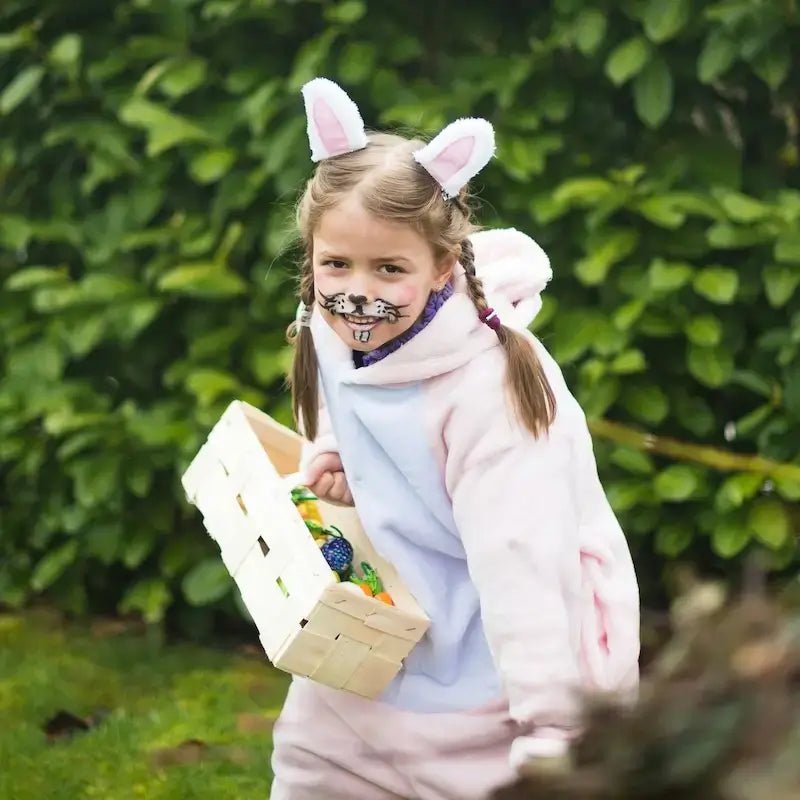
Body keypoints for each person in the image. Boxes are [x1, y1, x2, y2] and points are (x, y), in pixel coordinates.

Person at [269, 77, 640, 800]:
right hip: (382, 633)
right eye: (337, 264)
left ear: (442, 266)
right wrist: (334, 453)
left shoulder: (487, 396)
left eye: (389, 269)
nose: (358, 292)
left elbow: (523, 565)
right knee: (313, 768)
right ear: (312, 255)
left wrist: (552, 729)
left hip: (499, 669)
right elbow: (342, 398)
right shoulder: (336, 326)